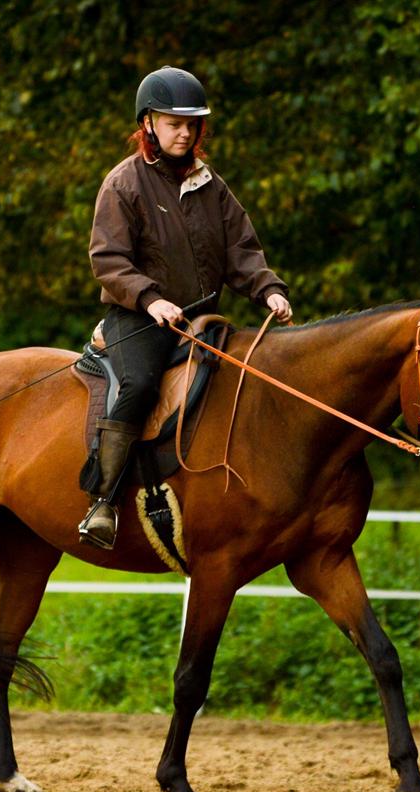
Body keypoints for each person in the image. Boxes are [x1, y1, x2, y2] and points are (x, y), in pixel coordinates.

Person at [79, 65, 292, 550]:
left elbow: (241, 250)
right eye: (174, 122)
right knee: (140, 384)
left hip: (201, 320)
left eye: (191, 123)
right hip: (138, 316)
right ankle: (103, 503)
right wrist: (151, 300)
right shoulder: (123, 184)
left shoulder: (210, 185)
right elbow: (107, 260)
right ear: (148, 124)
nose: (185, 132)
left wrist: (268, 288)